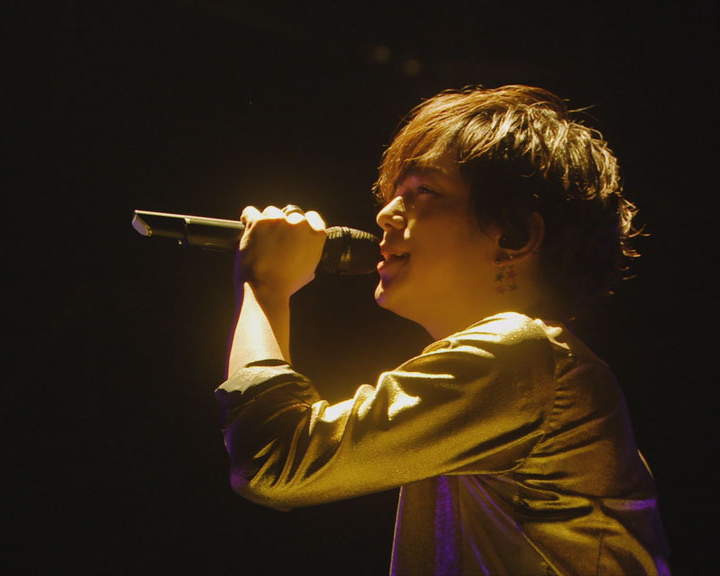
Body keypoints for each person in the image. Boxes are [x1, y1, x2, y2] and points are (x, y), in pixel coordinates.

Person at [216, 85, 670, 575]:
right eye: (394, 194)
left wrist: (264, 285)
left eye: (423, 192)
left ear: (515, 235)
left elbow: (273, 460)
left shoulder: (523, 354)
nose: (385, 214)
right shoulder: (514, 366)